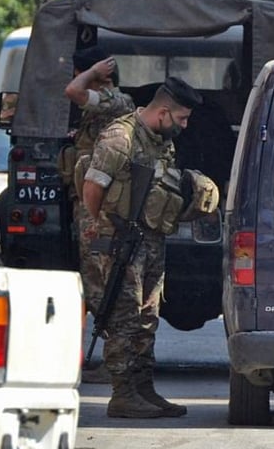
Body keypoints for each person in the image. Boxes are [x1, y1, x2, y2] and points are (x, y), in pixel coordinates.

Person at [82, 76, 202, 418]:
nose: (185, 125)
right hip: (121, 241)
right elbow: (93, 188)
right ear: (163, 112)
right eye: (181, 118)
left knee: (148, 316)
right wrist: (107, 226)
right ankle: (122, 393)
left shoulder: (160, 141)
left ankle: (143, 387)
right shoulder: (121, 137)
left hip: (150, 240)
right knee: (124, 317)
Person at [64, 46, 135, 383]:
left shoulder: (114, 100)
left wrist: (92, 71)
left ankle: (116, 360)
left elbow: (73, 91)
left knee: (102, 285)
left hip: (100, 206)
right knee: (95, 282)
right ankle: (113, 357)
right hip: (90, 200)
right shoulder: (104, 107)